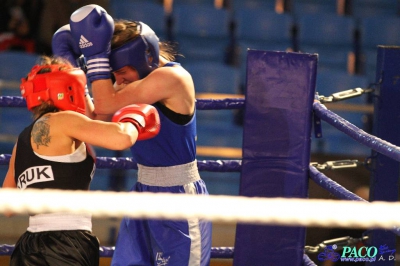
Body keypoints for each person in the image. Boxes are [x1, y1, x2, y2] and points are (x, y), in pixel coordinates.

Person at [63, 4, 212, 266]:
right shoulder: (132, 83)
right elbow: (95, 118)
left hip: (179, 198)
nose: (118, 80)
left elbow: (106, 104)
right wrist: (72, 71)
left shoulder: (172, 78)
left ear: (145, 58)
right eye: (114, 74)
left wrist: (95, 59)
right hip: (143, 192)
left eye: (121, 73)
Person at [2, 55, 160, 266]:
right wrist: (136, 117)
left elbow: (8, 207)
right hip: (67, 243)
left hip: (28, 245)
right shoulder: (65, 120)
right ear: (66, 88)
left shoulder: (22, 139)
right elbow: (121, 137)